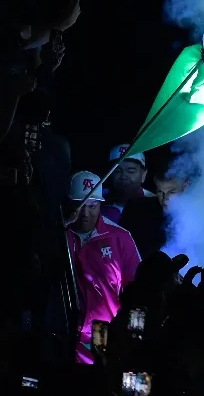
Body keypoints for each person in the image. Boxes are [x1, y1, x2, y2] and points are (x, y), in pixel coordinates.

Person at [63, 170, 141, 364]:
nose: (86, 214)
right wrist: (60, 228)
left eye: (93, 205)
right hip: (62, 334)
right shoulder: (57, 235)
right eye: (80, 206)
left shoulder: (119, 237)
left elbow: (136, 287)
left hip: (104, 337)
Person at [103, 144, 154, 224]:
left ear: (143, 174)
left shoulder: (156, 203)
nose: (123, 176)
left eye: (131, 171)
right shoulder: (94, 201)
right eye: (117, 171)